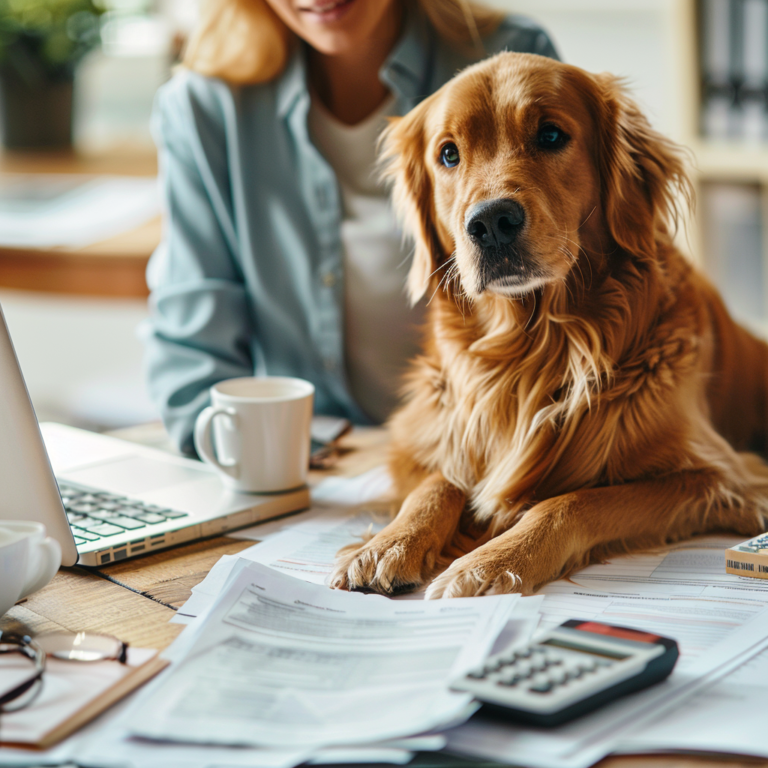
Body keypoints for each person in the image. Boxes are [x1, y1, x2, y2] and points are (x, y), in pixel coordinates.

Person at [144, 0, 558, 455]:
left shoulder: (511, 55)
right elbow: (194, 366)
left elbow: (583, 300)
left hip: (481, 452)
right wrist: (266, 457)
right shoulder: (203, 107)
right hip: (317, 468)